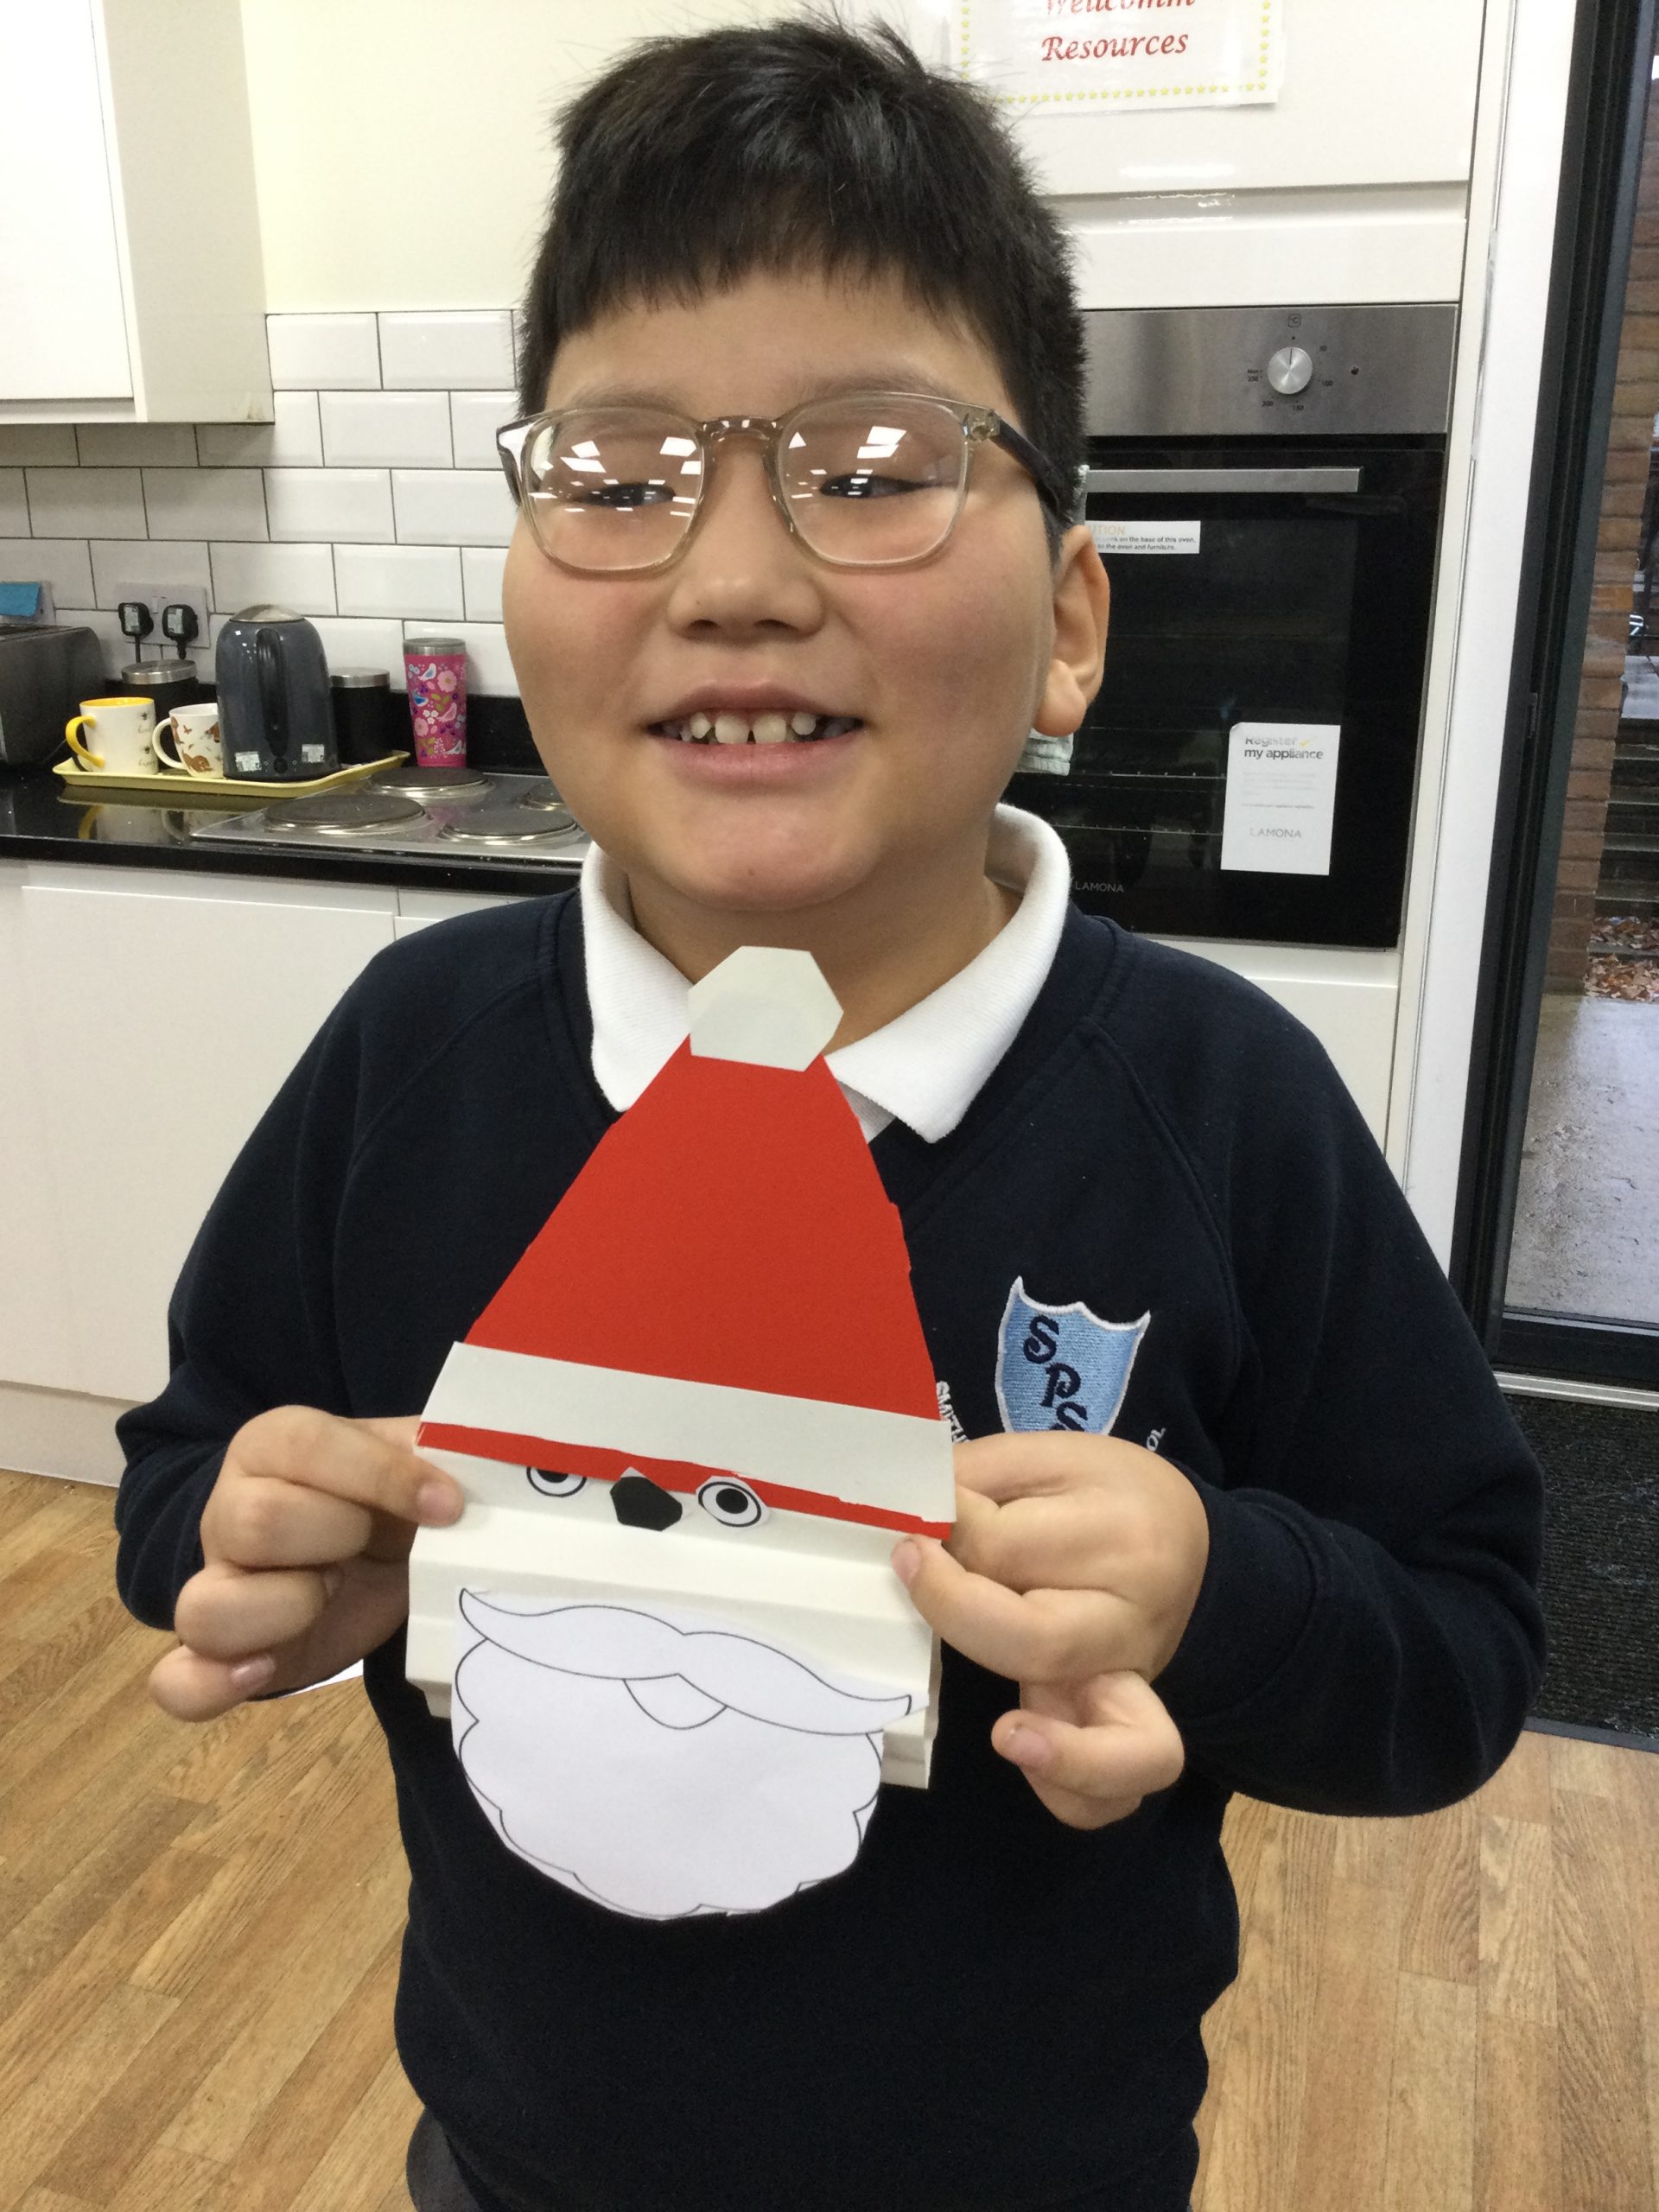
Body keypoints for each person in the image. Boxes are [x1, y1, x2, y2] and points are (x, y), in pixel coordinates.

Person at [111, 18, 1546, 2212]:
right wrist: (260, 1539)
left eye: (874, 464)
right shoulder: (413, 1055)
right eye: (619, 477)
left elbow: (1461, 1644)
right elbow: (183, 1467)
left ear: (1071, 623)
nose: (735, 573)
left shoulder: (1221, 1104)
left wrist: (1214, 1587)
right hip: (515, 2165)